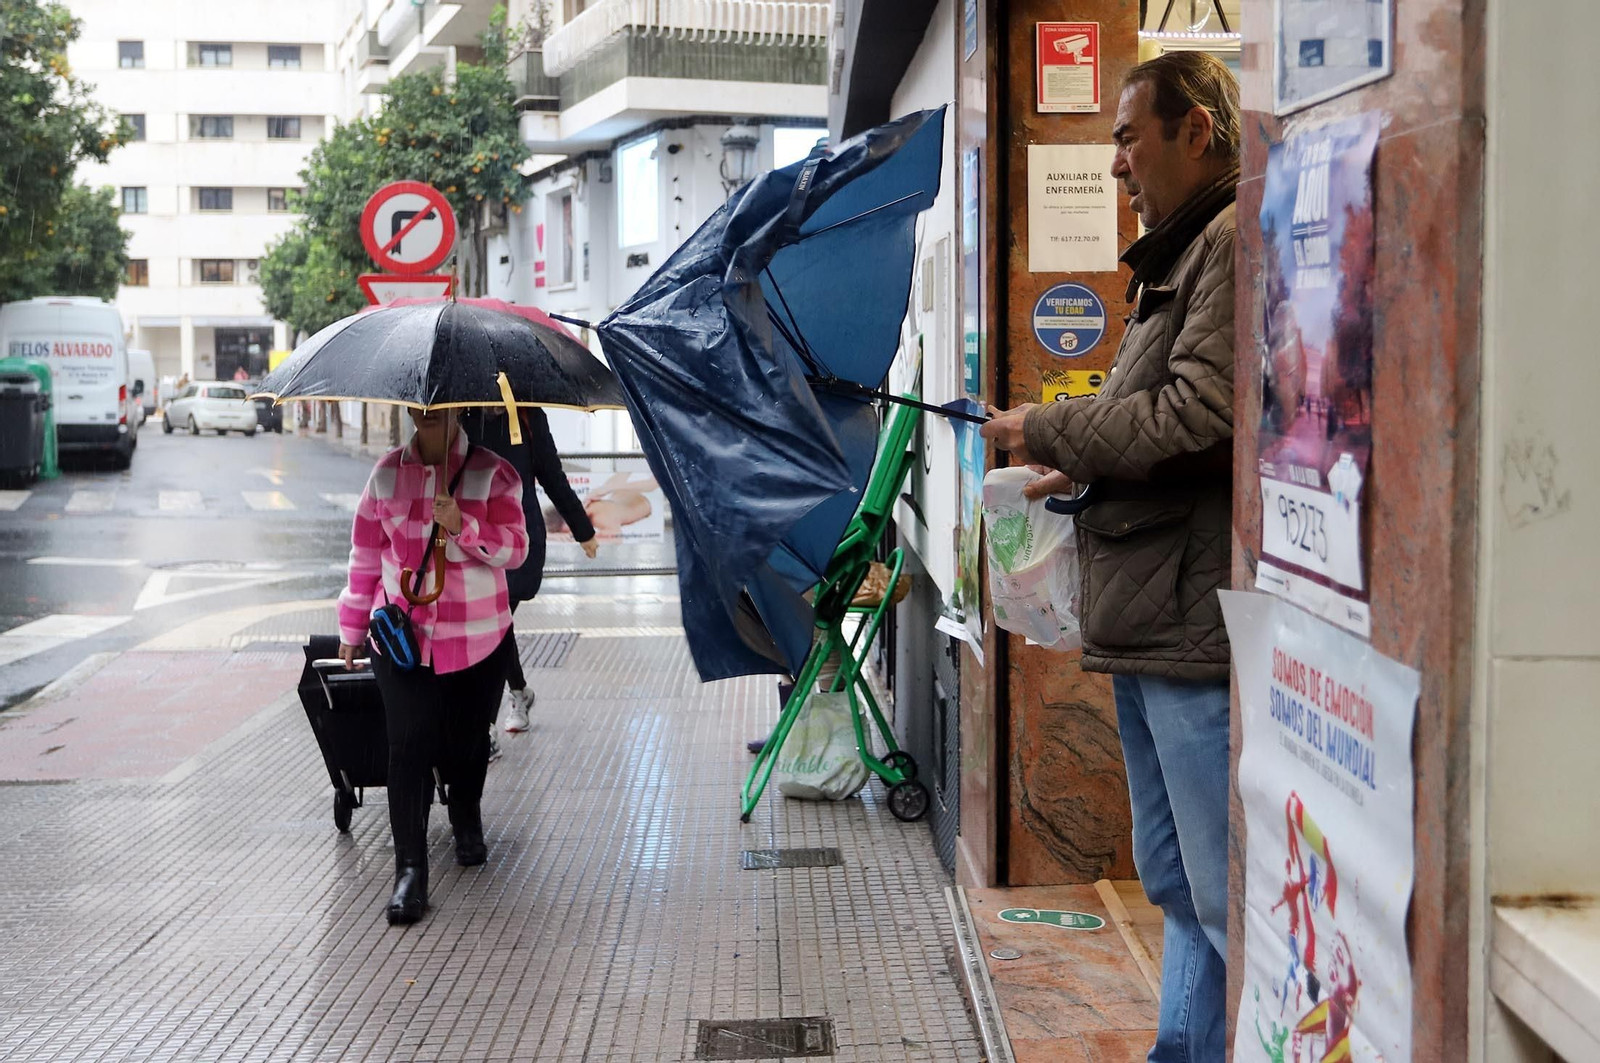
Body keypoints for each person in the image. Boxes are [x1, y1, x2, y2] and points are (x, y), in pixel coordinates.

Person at [981, 51, 1240, 1062]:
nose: (1117, 165)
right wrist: (1063, 468)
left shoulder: (1222, 242)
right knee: (1175, 881)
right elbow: (1155, 419)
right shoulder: (1177, 252)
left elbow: (1197, 415)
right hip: (1148, 624)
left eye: (1129, 136)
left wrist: (1047, 431)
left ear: (1196, 131)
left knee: (1218, 892)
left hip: (1189, 623)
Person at [336, 407, 530, 925]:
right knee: (408, 745)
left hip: (478, 639)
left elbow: (516, 549)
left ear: (456, 412)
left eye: (437, 414)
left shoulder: (494, 473)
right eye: (419, 413)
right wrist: (352, 629)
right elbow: (363, 558)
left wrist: (462, 524)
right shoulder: (385, 477)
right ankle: (410, 872)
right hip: (402, 639)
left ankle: (466, 812)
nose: (425, 421)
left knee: (468, 743)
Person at [463, 407, 598, 733]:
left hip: (517, 543)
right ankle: (517, 693)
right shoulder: (460, 415)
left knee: (494, 624)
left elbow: (552, 475)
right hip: (471, 540)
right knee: (493, 625)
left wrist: (583, 530)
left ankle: (484, 727)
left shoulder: (527, 417)